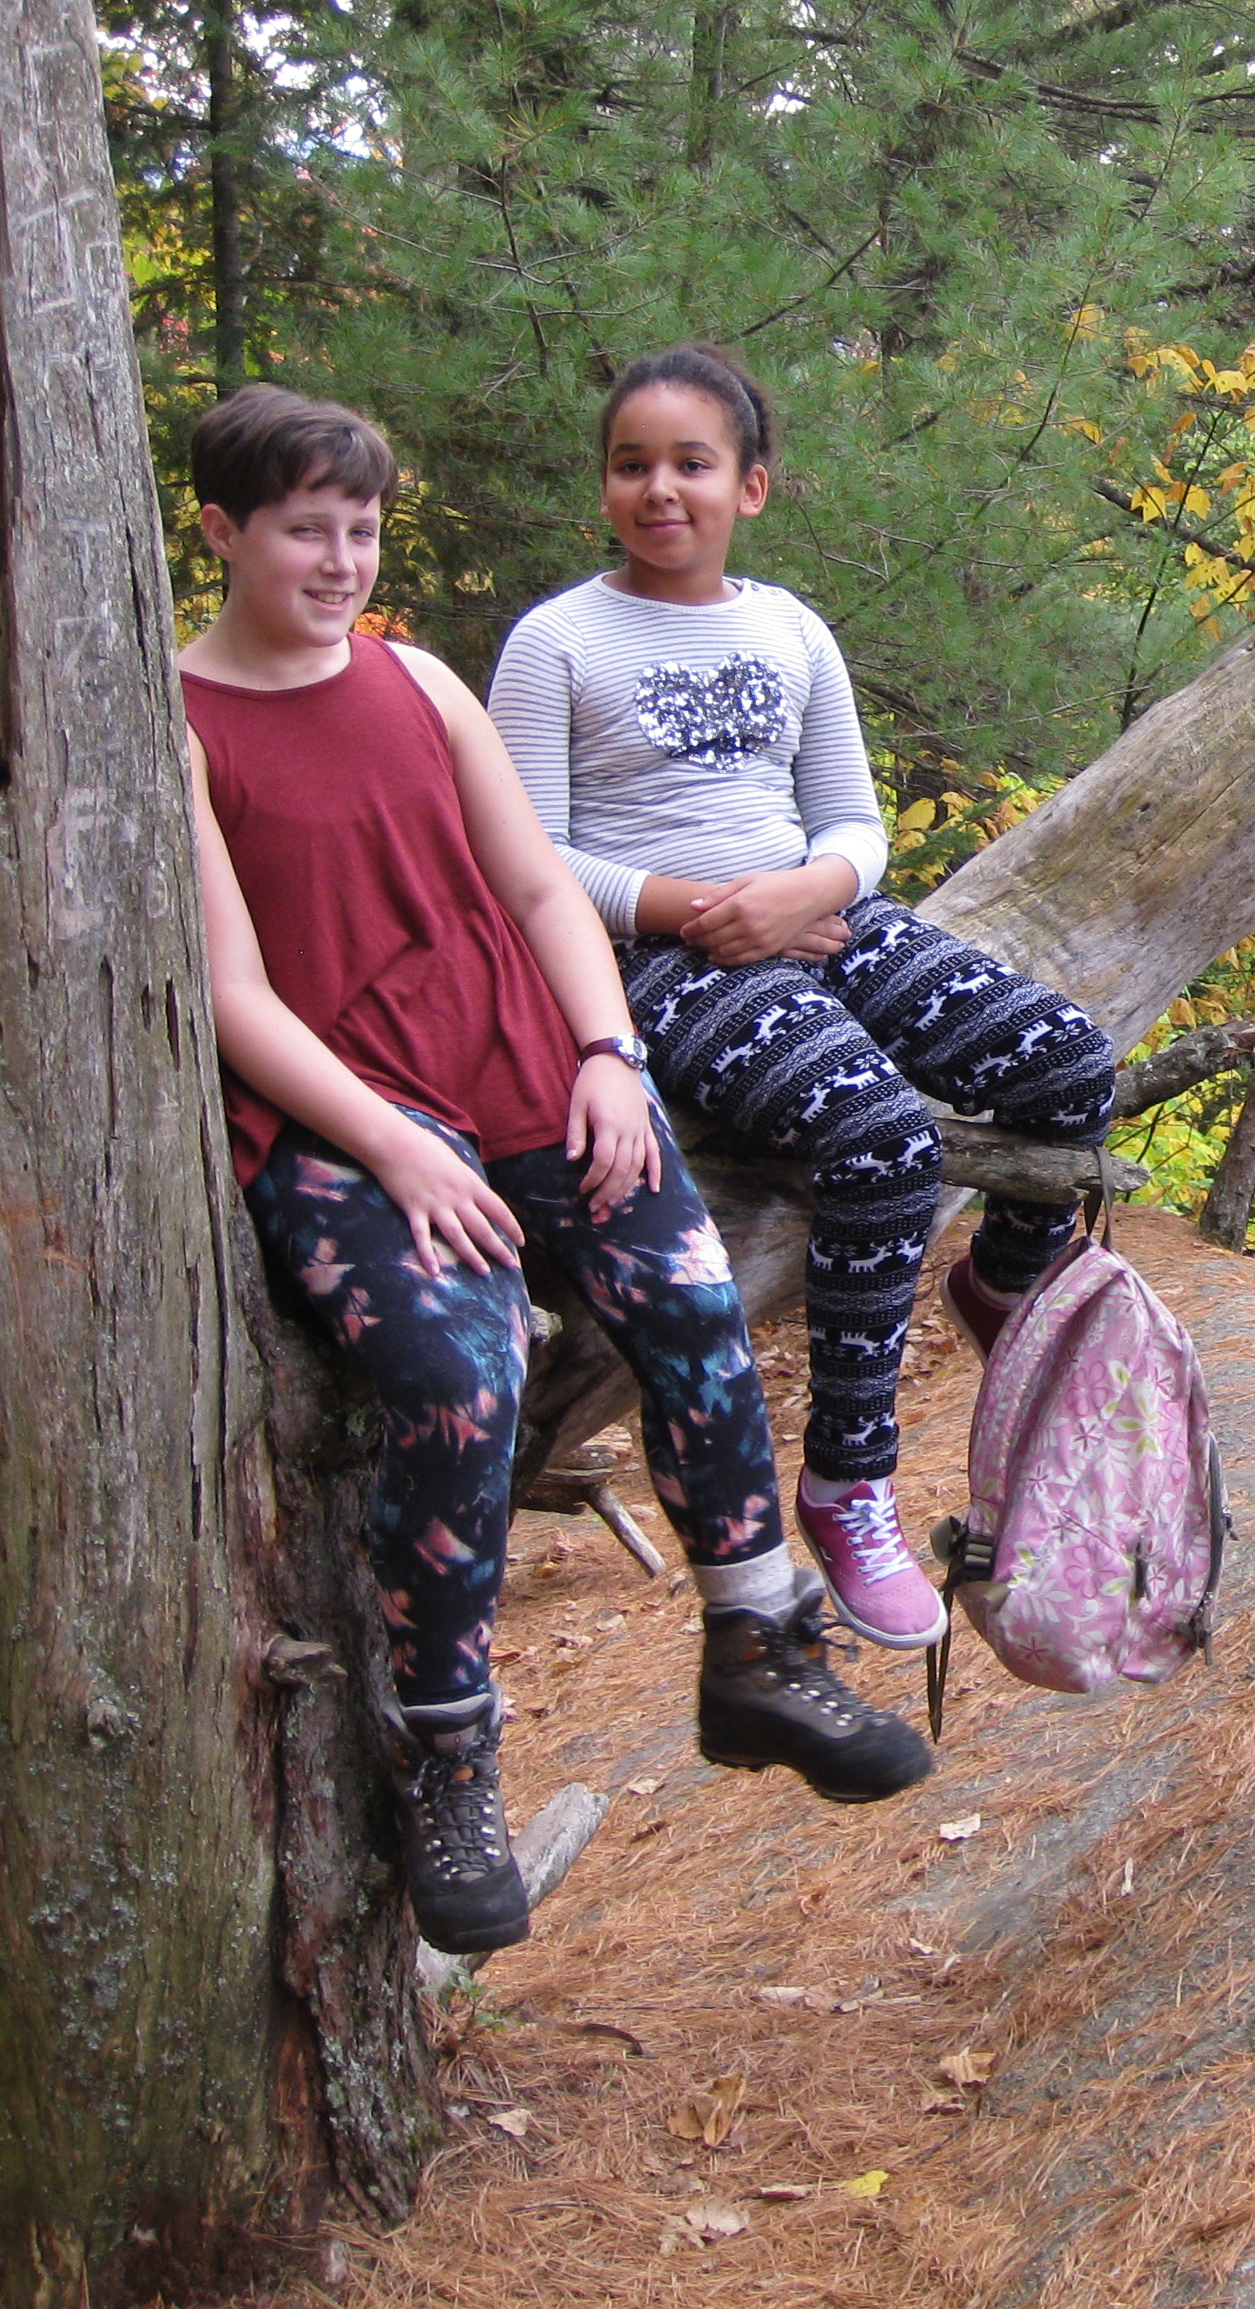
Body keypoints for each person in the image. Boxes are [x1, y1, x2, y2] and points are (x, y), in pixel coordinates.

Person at [177, 383, 931, 1956]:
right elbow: (233, 991)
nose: (339, 561)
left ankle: (757, 1651)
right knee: (463, 1376)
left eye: (362, 530)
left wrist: (608, 1057)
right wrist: (393, 1149)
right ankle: (446, 1750)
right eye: (305, 530)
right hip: (335, 1110)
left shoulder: (421, 683)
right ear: (222, 534)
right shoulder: (178, 725)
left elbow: (534, 886)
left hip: (523, 1053)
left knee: (686, 1292)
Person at [487, 345, 1118, 1651]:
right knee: (878, 1141)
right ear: (606, 484)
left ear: (751, 487)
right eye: (631, 463)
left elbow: (854, 820)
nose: (660, 488)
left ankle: (1002, 1289)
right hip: (659, 958)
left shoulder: (789, 628)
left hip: (821, 913)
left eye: (692, 463)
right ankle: (848, 1483)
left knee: (1068, 1065)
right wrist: (688, 909)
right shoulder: (556, 641)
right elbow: (522, 854)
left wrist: (803, 892)